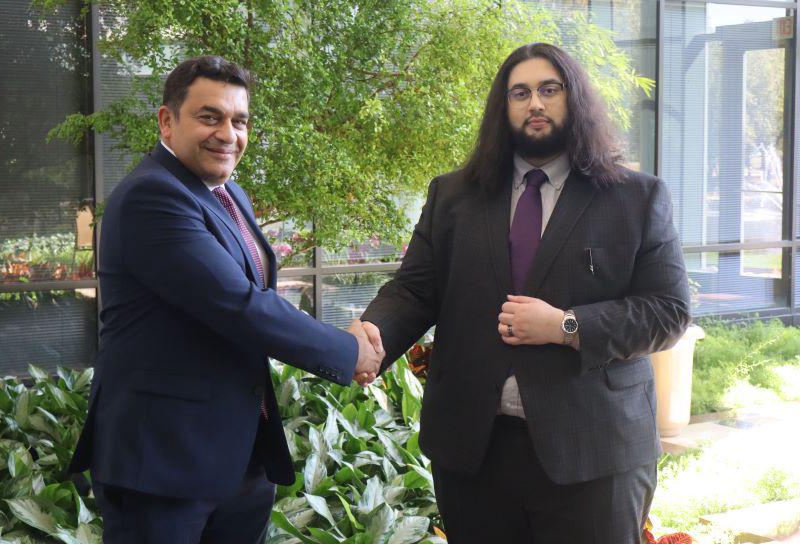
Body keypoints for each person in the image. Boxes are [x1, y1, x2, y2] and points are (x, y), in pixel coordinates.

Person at [357, 43, 690, 542]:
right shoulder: (453, 195)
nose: (535, 103)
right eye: (520, 93)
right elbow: (414, 289)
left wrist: (566, 326)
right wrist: (370, 336)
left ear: (574, 99)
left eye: (549, 89)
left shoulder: (634, 197)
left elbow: (668, 311)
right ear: (503, 106)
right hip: (474, 451)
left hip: (595, 453)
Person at [69, 55, 383, 544]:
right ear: (167, 121)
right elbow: (239, 305)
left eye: (240, 121)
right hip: (161, 464)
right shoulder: (152, 196)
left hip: (237, 457)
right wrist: (348, 350)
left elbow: (252, 300)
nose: (228, 134)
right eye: (209, 117)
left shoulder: (228, 194)